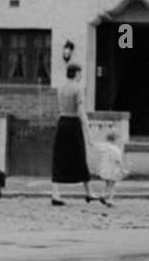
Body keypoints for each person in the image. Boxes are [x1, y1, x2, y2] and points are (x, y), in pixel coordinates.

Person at [51, 64, 93, 205]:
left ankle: (55, 193)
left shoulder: (61, 88)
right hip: (74, 124)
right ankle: (88, 192)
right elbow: (81, 111)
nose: (81, 76)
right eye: (80, 74)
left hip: (62, 122)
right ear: (76, 74)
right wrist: (88, 132)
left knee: (59, 157)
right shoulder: (78, 89)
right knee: (80, 156)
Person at [87, 130, 126, 207]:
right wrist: (123, 169)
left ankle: (103, 194)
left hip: (104, 169)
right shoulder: (116, 150)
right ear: (115, 140)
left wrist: (89, 140)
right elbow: (118, 161)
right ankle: (110, 200)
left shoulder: (104, 147)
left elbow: (94, 145)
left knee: (107, 183)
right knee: (112, 185)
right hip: (113, 170)